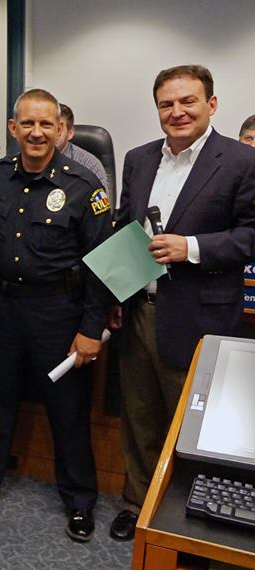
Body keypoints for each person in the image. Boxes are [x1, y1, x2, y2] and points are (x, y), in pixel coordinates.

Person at [0, 89, 112, 542]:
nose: (37, 132)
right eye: (28, 124)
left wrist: (90, 329)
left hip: (58, 313)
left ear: (61, 129)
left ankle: (81, 501)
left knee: (68, 409)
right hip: (2, 308)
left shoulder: (84, 186)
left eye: (47, 124)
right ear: (13, 128)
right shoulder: (0, 176)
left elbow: (103, 264)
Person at [110, 65, 255, 540]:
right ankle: (137, 504)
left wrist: (191, 247)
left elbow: (250, 235)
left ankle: (184, 518)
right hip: (140, 311)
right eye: (166, 104)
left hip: (202, 317)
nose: (177, 112)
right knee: (139, 415)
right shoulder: (138, 158)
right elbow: (125, 227)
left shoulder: (240, 161)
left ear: (211, 104)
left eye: (188, 101)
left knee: (190, 426)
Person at [56, 103, 111, 196]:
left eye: (58, 129)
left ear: (70, 133)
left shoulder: (90, 165)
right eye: (48, 127)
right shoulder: (30, 161)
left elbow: (100, 206)